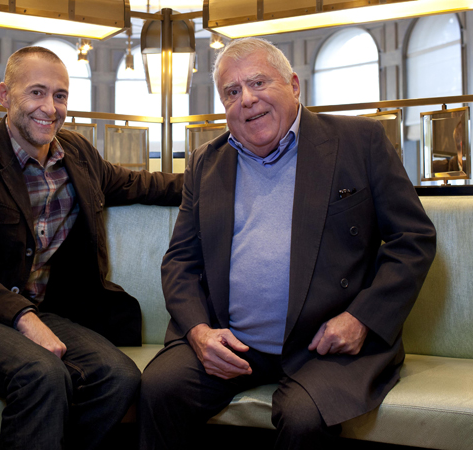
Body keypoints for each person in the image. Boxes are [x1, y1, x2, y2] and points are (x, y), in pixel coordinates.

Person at [139, 37, 436, 449]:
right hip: (232, 340)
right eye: (232, 91)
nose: (247, 99)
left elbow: (413, 239)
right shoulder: (205, 161)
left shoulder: (359, 142)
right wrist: (200, 332)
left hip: (325, 347)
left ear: (294, 85)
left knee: (302, 418)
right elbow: (180, 262)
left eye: (259, 82)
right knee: (158, 387)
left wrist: (362, 319)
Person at [0, 46, 183, 449]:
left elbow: (143, 185)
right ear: (4, 95)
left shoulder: (78, 155)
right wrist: (24, 318)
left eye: (60, 95)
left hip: (41, 311)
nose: (50, 107)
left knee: (119, 377)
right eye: (36, 93)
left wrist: (220, 174)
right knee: (41, 372)